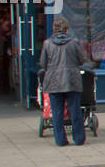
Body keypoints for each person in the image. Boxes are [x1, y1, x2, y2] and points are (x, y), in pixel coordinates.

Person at [38, 16, 91, 147]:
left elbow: (43, 63)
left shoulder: (47, 43)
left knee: (57, 112)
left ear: (54, 29)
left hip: (53, 80)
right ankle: (79, 139)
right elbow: (82, 60)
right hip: (72, 79)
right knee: (75, 110)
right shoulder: (74, 42)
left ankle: (60, 140)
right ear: (66, 29)